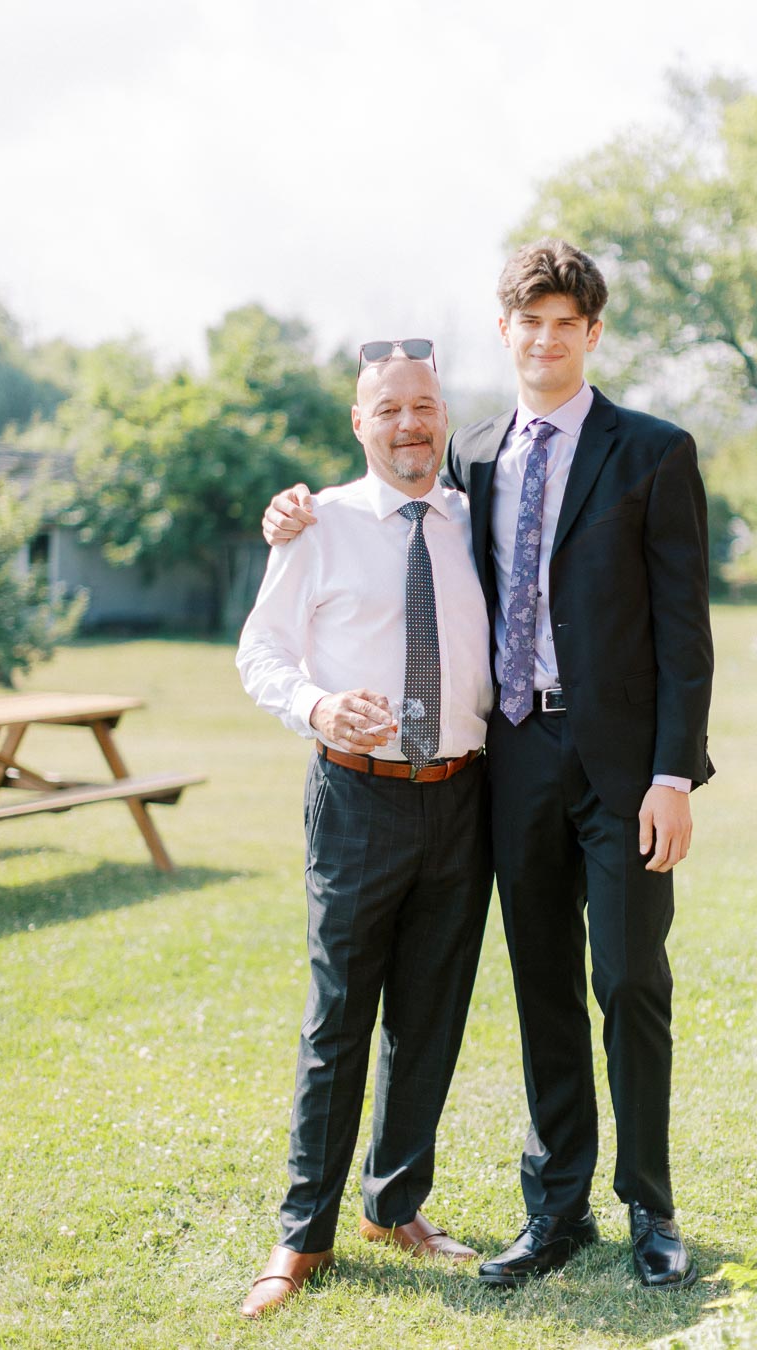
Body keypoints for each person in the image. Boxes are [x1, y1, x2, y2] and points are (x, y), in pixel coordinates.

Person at [262, 238, 714, 1291]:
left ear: (592, 333)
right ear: (505, 332)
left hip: (623, 767)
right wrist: (290, 511)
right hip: (512, 760)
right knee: (542, 985)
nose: (547, 340)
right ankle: (556, 1208)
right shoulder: (470, 460)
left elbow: (684, 632)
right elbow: (384, 502)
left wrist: (673, 776)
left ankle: (650, 1206)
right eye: (530, 323)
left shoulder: (654, 451)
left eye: (567, 324)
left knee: (629, 979)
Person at [236, 348, 493, 1319]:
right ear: (359, 422)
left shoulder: (477, 519)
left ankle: (394, 1206)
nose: (409, 424)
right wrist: (316, 703)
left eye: (424, 405)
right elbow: (260, 650)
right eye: (388, 409)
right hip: (356, 797)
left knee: (430, 1015)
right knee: (338, 1020)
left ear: (443, 415)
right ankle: (303, 1233)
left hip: (463, 798)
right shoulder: (319, 524)